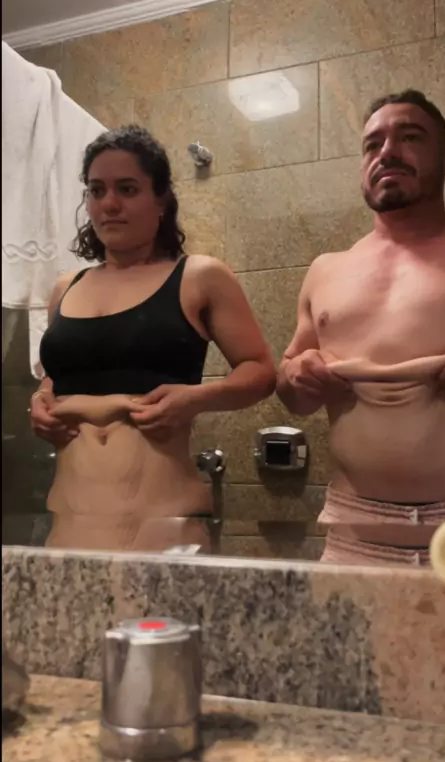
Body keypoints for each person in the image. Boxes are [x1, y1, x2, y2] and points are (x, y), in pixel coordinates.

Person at [30, 125, 275, 552]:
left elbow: (261, 371)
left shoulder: (198, 277)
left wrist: (196, 398)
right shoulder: (66, 288)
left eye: (127, 189)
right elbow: (59, 374)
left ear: (161, 200)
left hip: (163, 527)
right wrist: (40, 398)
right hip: (70, 528)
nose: (109, 204)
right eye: (96, 190)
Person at [277, 90, 445, 566]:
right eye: (373, 144)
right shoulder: (326, 270)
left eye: (411, 137)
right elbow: (291, 390)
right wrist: (296, 374)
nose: (387, 151)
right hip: (352, 535)